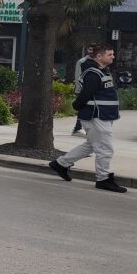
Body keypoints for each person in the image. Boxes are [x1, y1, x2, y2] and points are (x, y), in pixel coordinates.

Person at [49, 42, 126, 192]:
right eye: (109, 54)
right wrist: (76, 106)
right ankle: (103, 179)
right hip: (95, 116)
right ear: (99, 56)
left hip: (100, 115)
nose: (113, 57)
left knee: (91, 145)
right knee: (105, 148)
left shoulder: (101, 70)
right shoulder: (93, 73)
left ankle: (61, 164)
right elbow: (85, 94)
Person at [72, 45, 95, 135]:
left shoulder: (97, 61)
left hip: (92, 89)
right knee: (83, 108)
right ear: (87, 50)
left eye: (93, 49)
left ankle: (80, 128)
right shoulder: (82, 61)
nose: (91, 51)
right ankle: (78, 128)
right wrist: (79, 89)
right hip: (83, 89)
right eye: (90, 49)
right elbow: (78, 76)